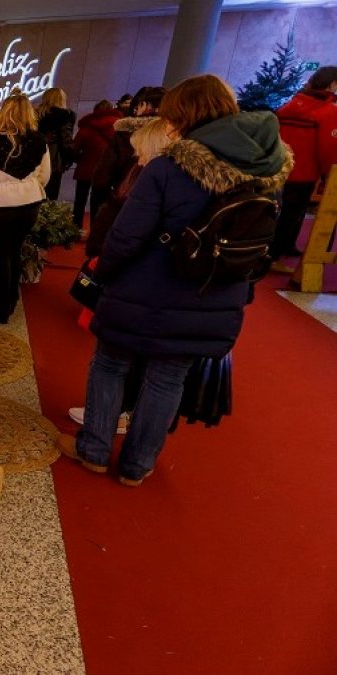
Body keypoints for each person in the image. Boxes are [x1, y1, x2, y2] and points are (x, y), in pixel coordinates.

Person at [61, 74, 291, 487]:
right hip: (213, 294)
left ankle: (94, 449)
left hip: (144, 289)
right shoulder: (267, 174)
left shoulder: (170, 167)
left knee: (111, 364)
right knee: (168, 378)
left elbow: (127, 235)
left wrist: (103, 275)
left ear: (186, 116)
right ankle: (137, 465)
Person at [69, 119, 174, 435]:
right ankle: (120, 421)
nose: (138, 159)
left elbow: (129, 236)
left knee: (114, 360)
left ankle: (104, 426)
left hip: (133, 283)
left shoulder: (153, 183)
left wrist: (105, 265)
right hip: (144, 284)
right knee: (135, 363)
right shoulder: (166, 181)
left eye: (141, 153)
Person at [0, 94, 51, 324]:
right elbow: (45, 176)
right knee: (15, 251)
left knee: (2, 255)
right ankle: (11, 300)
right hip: (30, 202)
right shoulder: (39, 141)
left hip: (3, 204)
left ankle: (0, 310)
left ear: (4, 113)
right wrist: (26, 186)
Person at [270, 66, 337, 272]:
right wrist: (329, 175)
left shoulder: (293, 104)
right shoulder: (328, 111)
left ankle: (285, 247)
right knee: (291, 214)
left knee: (283, 211)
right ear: (332, 85)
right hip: (305, 170)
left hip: (281, 167)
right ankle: (274, 258)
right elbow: (328, 147)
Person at [91, 86, 165, 219]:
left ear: (143, 105)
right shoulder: (176, 135)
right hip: (158, 210)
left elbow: (102, 176)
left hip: (123, 202)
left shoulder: (125, 133)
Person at [71, 100, 123, 231]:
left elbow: (74, 148)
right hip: (106, 172)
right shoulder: (118, 128)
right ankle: (95, 230)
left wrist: (80, 159)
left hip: (85, 169)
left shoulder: (86, 127)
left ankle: (75, 228)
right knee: (99, 203)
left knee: (80, 202)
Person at [36, 87, 77, 200]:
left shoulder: (36, 114)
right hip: (54, 160)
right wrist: (72, 157)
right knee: (51, 197)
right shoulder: (65, 116)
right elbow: (66, 140)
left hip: (35, 159)